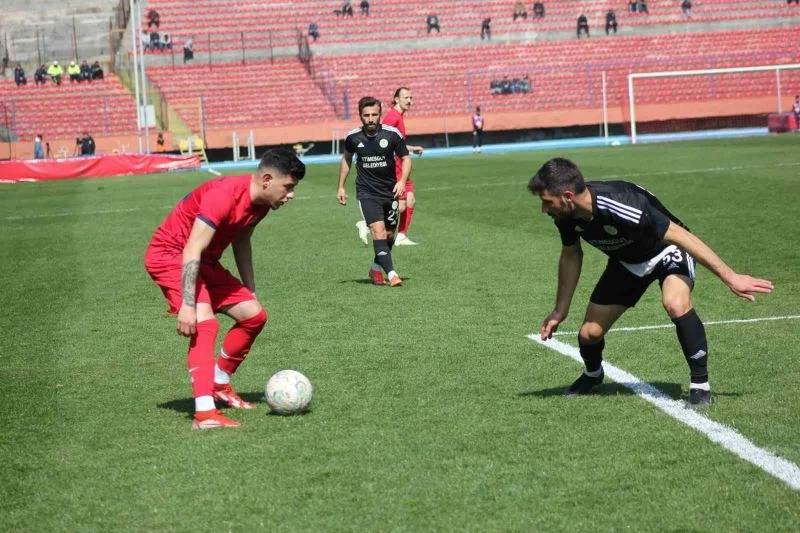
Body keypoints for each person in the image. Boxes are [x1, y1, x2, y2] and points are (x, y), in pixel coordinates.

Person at [529, 158, 773, 407]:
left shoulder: (623, 205)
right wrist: (560, 310)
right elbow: (571, 254)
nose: (545, 209)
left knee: (676, 304)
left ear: (568, 195)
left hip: (668, 250)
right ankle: (593, 374)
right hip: (627, 261)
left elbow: (681, 236)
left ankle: (700, 385)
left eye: (547, 202)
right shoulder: (565, 215)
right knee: (589, 334)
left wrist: (730, 277)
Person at [144, 149, 306, 429]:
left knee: (254, 316)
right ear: (267, 179)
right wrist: (188, 303)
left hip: (204, 259)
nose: (291, 195)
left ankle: (220, 383)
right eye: (288, 187)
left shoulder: (262, 204)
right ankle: (204, 414)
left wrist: (250, 289)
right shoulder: (224, 195)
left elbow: (242, 240)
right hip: (172, 255)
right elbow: (192, 247)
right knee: (205, 325)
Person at [337, 96, 411, 287]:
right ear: (360, 116)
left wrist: (402, 181)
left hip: (390, 191)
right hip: (367, 193)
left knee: (388, 236)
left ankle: (375, 268)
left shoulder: (392, 134)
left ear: (380, 115)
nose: (370, 118)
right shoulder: (353, 137)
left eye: (374, 114)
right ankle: (393, 274)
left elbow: (406, 158)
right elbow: (346, 160)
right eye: (366, 115)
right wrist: (341, 186)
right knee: (378, 232)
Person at [376, 87, 424, 247]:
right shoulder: (392, 117)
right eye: (406, 97)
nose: (409, 101)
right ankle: (369, 224)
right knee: (401, 205)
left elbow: (398, 143)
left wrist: (412, 148)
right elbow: (383, 140)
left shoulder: (399, 117)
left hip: (402, 166)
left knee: (410, 200)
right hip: (395, 168)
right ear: (396, 99)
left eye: (411, 97)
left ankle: (402, 235)